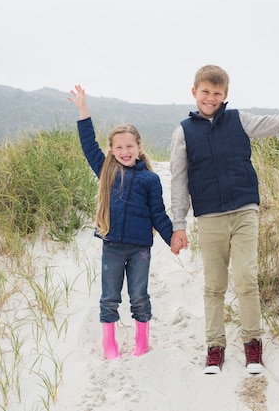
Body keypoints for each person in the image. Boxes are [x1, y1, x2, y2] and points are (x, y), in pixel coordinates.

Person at [170, 65, 279, 374]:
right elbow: (178, 180)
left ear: (226, 96)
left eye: (217, 93)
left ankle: (252, 345)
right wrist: (178, 225)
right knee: (214, 286)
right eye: (205, 92)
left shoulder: (240, 120)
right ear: (194, 92)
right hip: (209, 218)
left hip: (245, 211)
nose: (210, 98)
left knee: (247, 278)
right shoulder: (183, 131)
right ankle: (215, 348)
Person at [69, 84, 174, 360]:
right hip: (112, 246)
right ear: (112, 150)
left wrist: (172, 237)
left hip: (140, 248)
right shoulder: (107, 171)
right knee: (109, 298)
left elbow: (158, 214)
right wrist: (83, 110)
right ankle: (109, 344)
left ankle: (142, 342)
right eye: (119, 147)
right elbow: (89, 146)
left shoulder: (150, 179)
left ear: (139, 147)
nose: (125, 151)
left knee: (139, 296)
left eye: (130, 146)